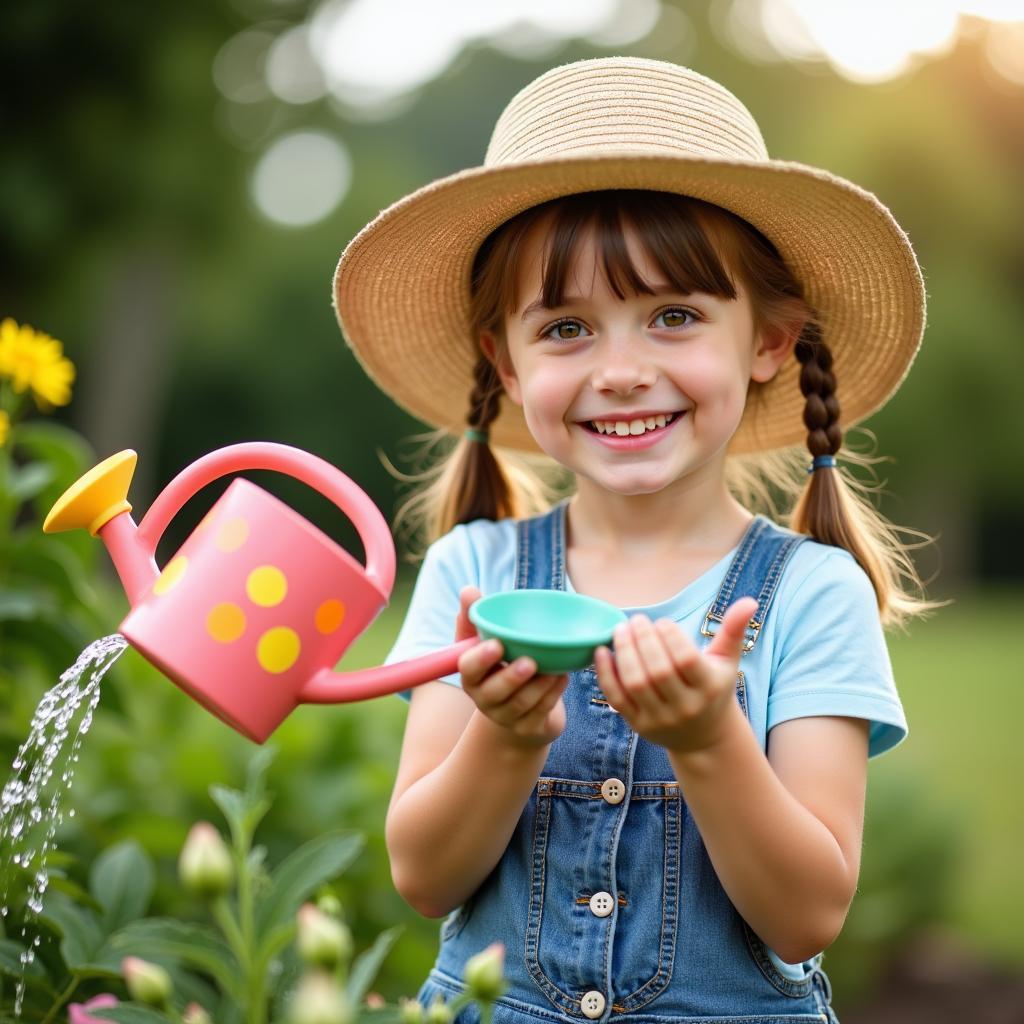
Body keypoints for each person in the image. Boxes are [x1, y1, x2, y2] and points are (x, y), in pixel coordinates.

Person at [333, 56, 935, 1024]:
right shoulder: (475, 571)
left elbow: (806, 915)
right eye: (566, 327)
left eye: (673, 316)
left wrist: (707, 741)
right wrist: (507, 733)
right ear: (507, 361)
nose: (620, 370)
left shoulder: (813, 591)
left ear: (770, 342)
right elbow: (426, 876)